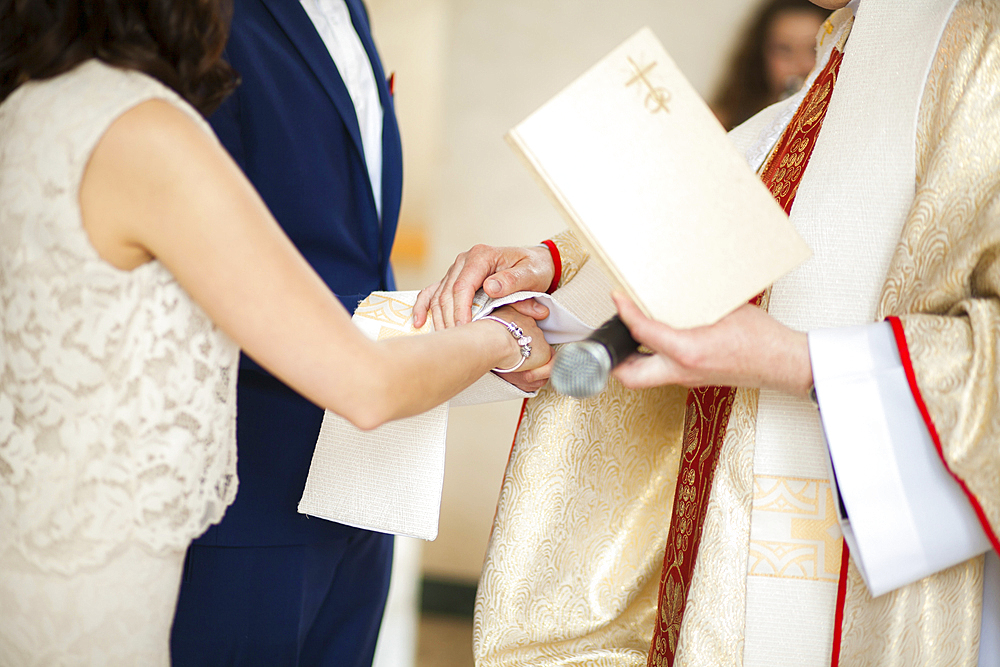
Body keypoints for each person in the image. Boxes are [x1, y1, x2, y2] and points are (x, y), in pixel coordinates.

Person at [413, 0, 1000, 664]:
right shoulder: (851, 43)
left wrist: (801, 360)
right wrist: (553, 277)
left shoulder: (975, 40)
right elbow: (748, 205)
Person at [0, 1, 550, 665]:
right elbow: (367, 383)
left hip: (55, 536)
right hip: (215, 510)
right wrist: (508, 337)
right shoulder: (146, 127)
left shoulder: (27, 108)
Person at [710, 0, 829, 130]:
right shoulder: (721, 124)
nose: (801, 66)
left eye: (815, 49)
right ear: (759, 56)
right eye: (784, 50)